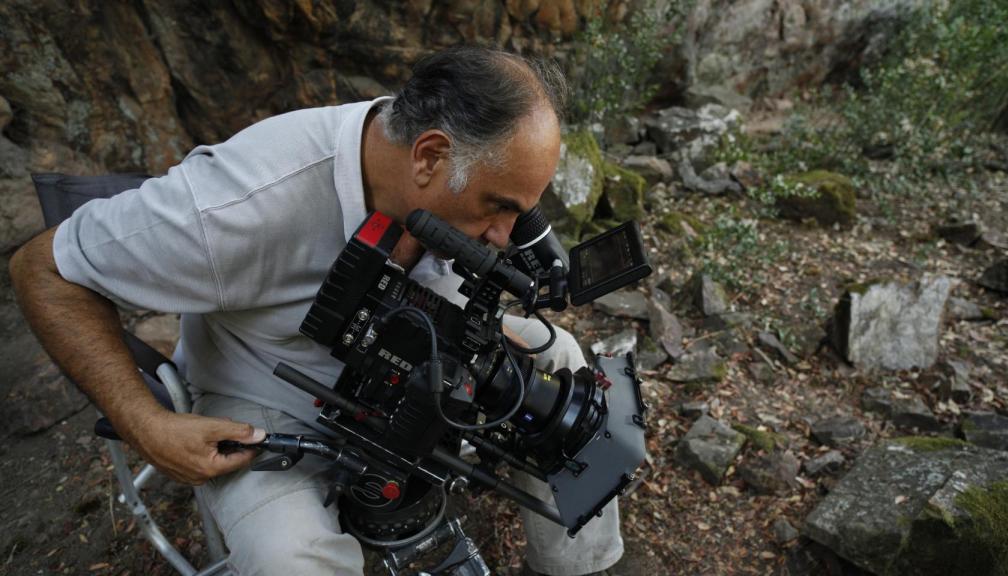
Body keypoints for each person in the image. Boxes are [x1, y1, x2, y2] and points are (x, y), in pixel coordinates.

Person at [10, 46, 623, 575]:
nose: (502, 236)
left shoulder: (439, 150)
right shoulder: (235, 207)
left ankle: (576, 567)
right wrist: (145, 423)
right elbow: (41, 267)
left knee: (564, 367)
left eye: (521, 213)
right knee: (291, 561)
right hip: (276, 395)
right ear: (429, 158)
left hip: (426, 349)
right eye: (498, 206)